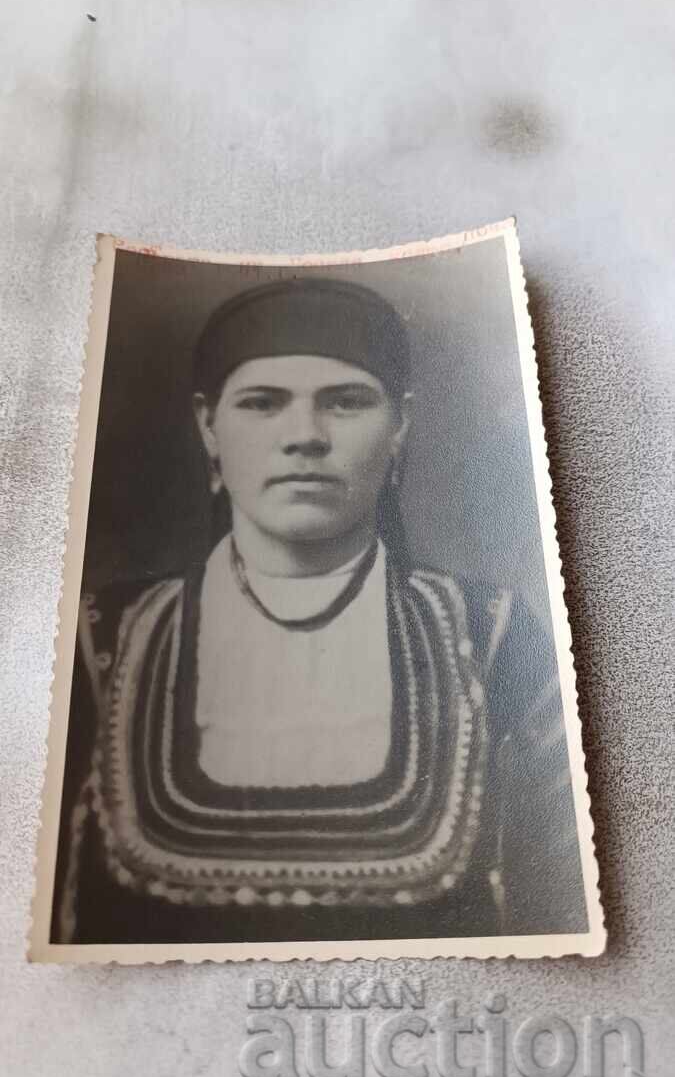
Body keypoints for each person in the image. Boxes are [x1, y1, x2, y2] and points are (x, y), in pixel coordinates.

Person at [52, 278, 587, 945]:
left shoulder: (494, 637)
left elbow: (565, 911)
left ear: (399, 426)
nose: (304, 436)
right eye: (261, 403)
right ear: (208, 426)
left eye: (346, 402)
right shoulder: (98, 640)